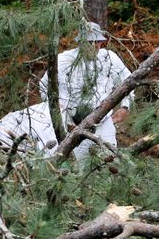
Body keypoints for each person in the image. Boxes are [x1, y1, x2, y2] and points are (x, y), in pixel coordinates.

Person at [39, 21, 133, 159]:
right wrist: (55, 106)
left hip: (103, 124)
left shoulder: (109, 58)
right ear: (80, 42)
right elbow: (44, 85)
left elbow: (128, 81)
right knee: (79, 167)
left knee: (110, 162)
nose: (94, 45)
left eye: (97, 42)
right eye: (89, 42)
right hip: (72, 126)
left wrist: (125, 106)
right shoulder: (64, 60)